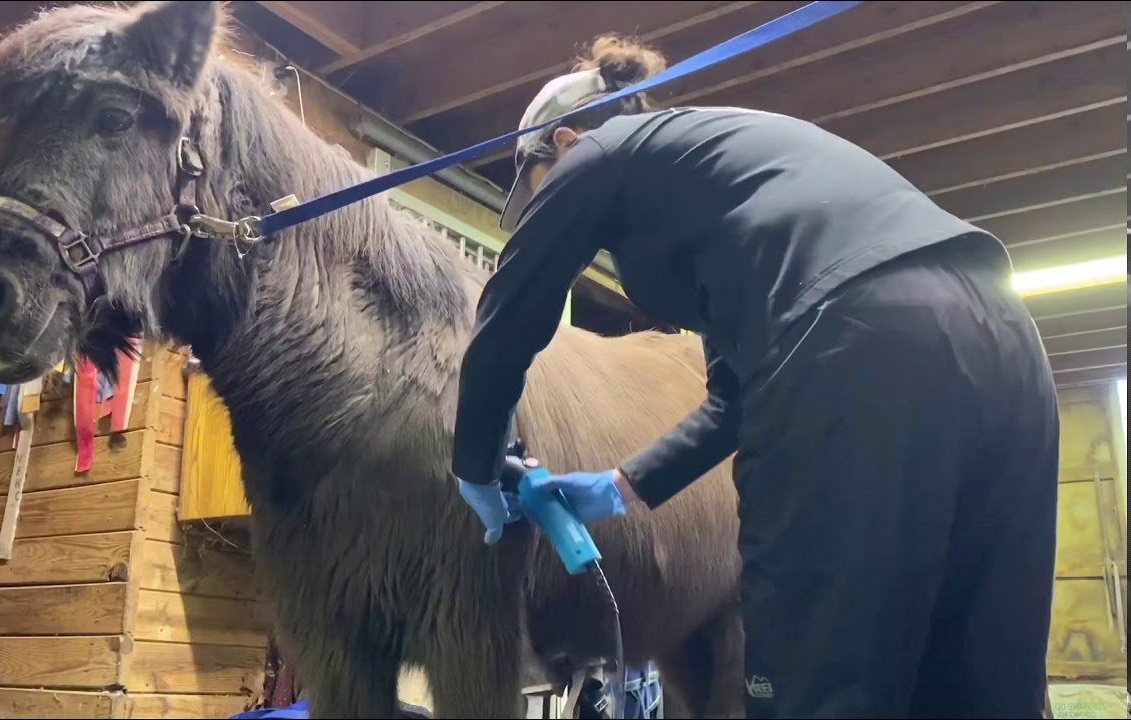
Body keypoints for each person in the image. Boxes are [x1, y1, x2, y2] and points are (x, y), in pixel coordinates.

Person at [449, 36, 1059, 719]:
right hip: (1003, 335)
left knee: (818, 686)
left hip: (853, 348)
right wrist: (622, 486)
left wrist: (478, 463)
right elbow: (734, 399)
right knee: (983, 678)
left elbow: (507, 319)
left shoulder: (597, 152)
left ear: (561, 143)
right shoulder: (731, 173)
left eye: (534, 189)